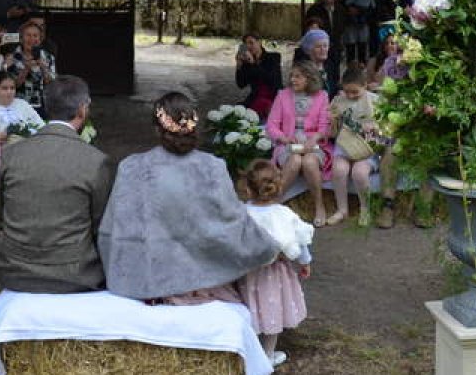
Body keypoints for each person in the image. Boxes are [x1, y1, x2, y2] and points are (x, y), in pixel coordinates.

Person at [98, 92, 278, 303]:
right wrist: (269, 247)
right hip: (204, 283)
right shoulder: (212, 167)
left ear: (157, 129)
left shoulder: (131, 167)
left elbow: (113, 230)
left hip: (148, 282)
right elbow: (233, 224)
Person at [0, 76, 114, 293]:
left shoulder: (13, 154)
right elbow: (102, 228)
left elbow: (1, 218)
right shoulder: (96, 161)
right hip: (76, 274)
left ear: (48, 107)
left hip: (15, 271)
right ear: (82, 110)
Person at [236, 159, 313, 369]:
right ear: (278, 186)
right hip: (275, 274)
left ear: (248, 188)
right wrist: (305, 263)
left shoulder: (241, 213)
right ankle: (268, 354)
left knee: (250, 307)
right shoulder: (284, 215)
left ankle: (247, 353)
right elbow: (301, 240)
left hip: (247, 274)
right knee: (272, 309)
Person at [267, 62, 334, 228]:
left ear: (309, 78)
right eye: (292, 76)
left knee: (309, 162)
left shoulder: (322, 96)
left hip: (314, 143)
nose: (293, 79)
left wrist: (315, 138)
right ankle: (274, 203)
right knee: (296, 160)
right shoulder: (282, 95)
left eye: (298, 76)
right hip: (288, 142)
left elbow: (325, 126)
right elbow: (272, 125)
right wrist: (285, 139)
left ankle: (319, 206)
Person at [0, 71, 43, 200]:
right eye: (4, 88)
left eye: (12, 88)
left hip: (24, 148)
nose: (9, 92)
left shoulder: (23, 104)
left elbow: (40, 126)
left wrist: (25, 131)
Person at [328, 66, 381, 227]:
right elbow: (333, 132)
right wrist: (333, 119)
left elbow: (387, 127)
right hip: (346, 144)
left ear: (365, 86)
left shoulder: (376, 101)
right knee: (339, 169)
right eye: (347, 91)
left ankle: (365, 209)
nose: (350, 95)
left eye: (355, 92)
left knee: (359, 172)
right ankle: (342, 209)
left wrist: (374, 128)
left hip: (367, 147)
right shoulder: (339, 101)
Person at [7, 20, 56, 118]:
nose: (32, 39)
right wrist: (26, 69)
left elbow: (51, 84)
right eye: (28, 35)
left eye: (35, 35)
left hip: (42, 105)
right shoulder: (12, 57)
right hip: (19, 104)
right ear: (21, 38)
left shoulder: (48, 57)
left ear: (40, 39)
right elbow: (13, 85)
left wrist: (43, 67)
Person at [304, 0, 344, 86]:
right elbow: (308, 28)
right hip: (319, 48)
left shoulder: (341, 9)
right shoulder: (314, 9)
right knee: (320, 75)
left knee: (334, 75)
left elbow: (343, 27)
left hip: (335, 48)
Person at [234, 33, 283, 120]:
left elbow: (271, 79)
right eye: (246, 44)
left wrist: (253, 64)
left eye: (251, 43)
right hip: (256, 96)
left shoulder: (273, 57)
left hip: (274, 96)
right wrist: (239, 66)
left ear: (259, 42)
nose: (249, 46)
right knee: (238, 111)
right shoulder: (247, 62)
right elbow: (241, 84)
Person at [298, 28, 337, 97]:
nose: (323, 50)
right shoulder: (303, 70)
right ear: (309, 50)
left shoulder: (330, 66)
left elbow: (333, 89)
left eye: (325, 46)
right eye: (318, 46)